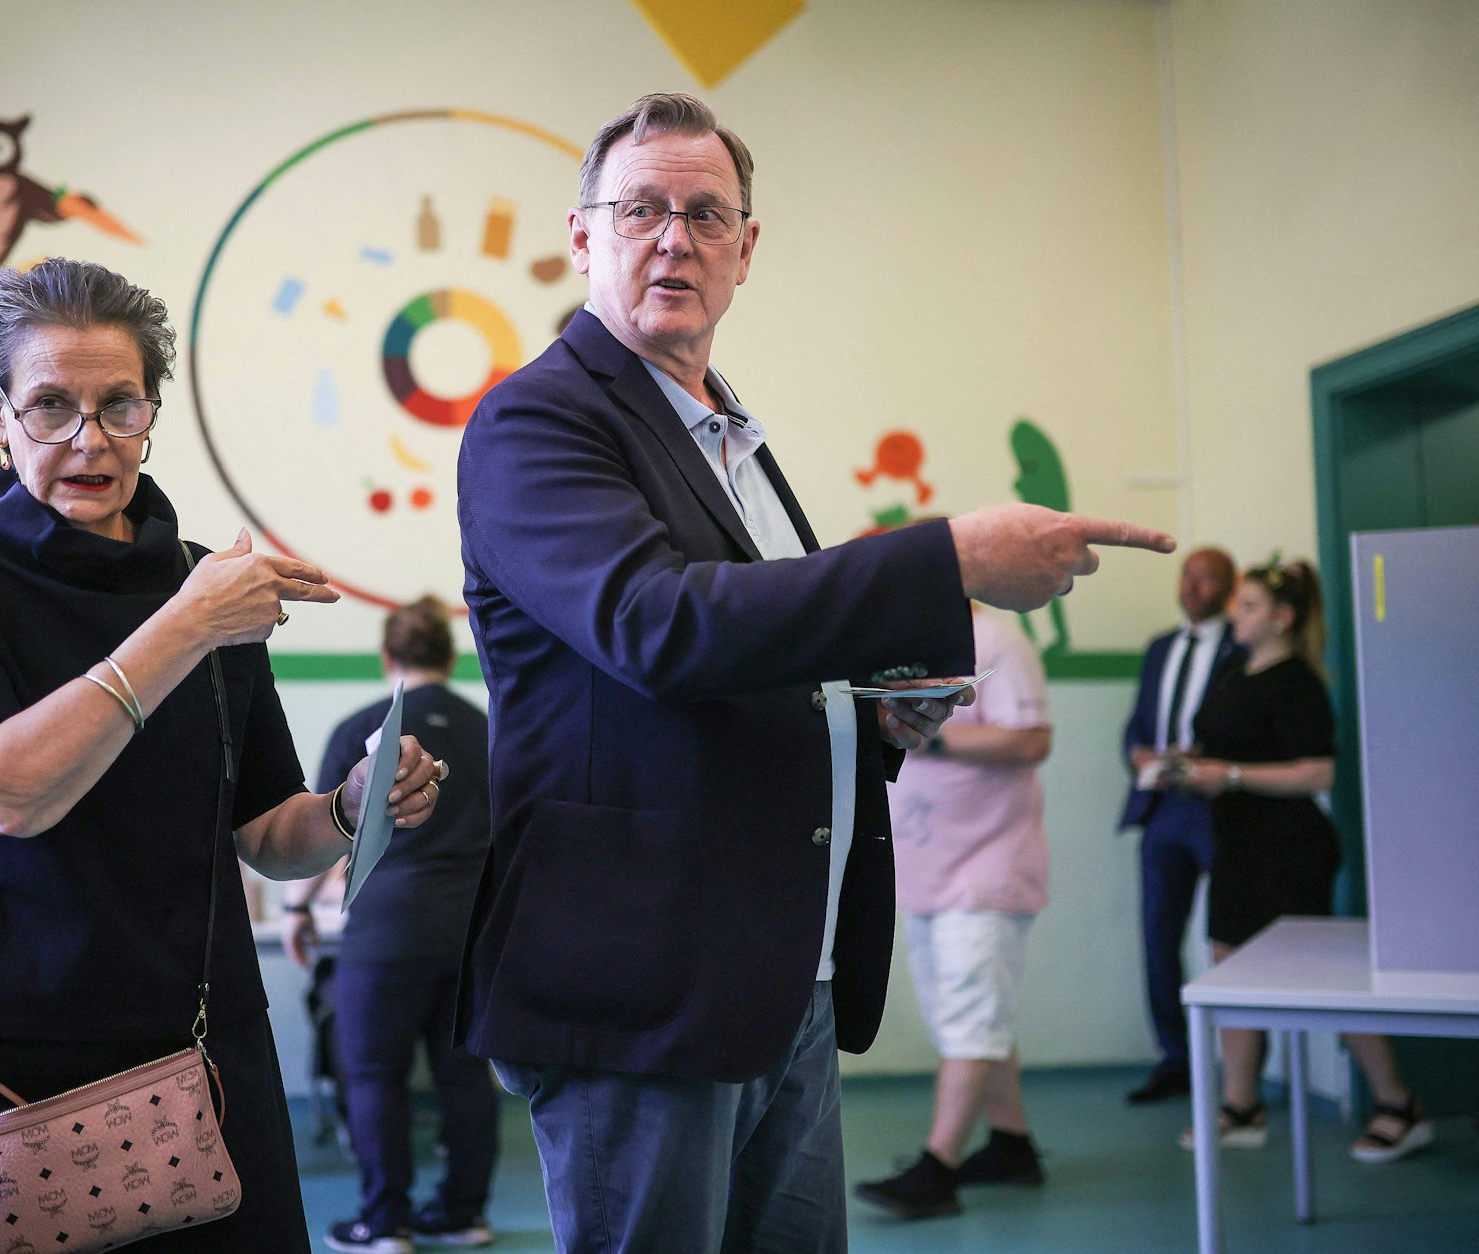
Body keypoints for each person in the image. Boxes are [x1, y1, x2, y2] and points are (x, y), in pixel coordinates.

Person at [453, 91, 1175, 1252]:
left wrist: (862, 707)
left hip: (785, 968)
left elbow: (755, 642)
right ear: (582, 236)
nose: (673, 239)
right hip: (645, 986)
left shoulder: (731, 433)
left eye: (704, 214)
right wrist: (949, 556)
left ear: (747, 249)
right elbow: (656, 627)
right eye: (640, 209)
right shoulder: (536, 422)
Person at [0, 258, 447, 1253]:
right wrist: (187, 624)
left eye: (120, 405)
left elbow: (266, 833)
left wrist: (345, 809)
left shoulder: (211, 583)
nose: (90, 440)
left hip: (191, 1035)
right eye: (50, 407)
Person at [1170, 560, 1431, 1162]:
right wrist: (1185, 763)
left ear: (1284, 619)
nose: (1239, 614)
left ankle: (1399, 1103)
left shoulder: (1297, 683)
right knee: (1227, 963)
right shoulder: (1234, 672)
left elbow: (1318, 770)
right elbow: (1222, 747)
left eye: (1253, 606)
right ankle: (1242, 1105)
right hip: (1235, 844)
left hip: (1289, 850)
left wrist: (1229, 775)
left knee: (1324, 981)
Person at [281, 597, 498, 1253]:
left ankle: (385, 1223)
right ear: (447, 654)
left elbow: (327, 832)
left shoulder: (360, 726)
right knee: (465, 1074)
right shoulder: (488, 727)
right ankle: (464, 1214)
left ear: (387, 657)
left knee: (373, 1074)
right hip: (469, 928)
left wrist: (297, 912)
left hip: (386, 929)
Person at [855, 603, 1053, 1220]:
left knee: (971, 1013)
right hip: (928, 865)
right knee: (965, 1011)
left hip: (985, 864)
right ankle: (1011, 1144)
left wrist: (934, 737)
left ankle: (937, 1169)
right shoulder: (902, 635)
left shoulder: (997, 640)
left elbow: (1033, 737)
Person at [1119, 546, 1241, 1104]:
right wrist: (1141, 757)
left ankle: (1240, 1072)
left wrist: (1205, 755)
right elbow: (1137, 727)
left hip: (1217, 808)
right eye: (1187, 577)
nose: (1193, 588)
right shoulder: (1161, 648)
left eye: (1207, 579)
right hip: (1162, 807)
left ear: (1229, 587)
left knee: (1231, 937)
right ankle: (1176, 1059)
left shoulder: (1242, 647)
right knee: (1158, 935)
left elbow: (1248, 727)